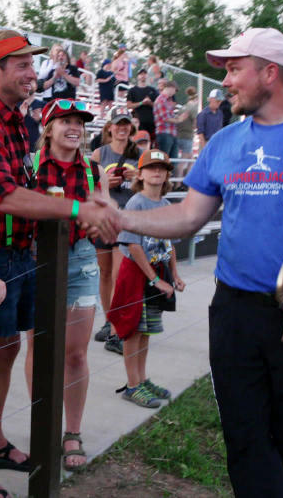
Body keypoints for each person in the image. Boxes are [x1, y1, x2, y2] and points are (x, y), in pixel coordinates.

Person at [110, 27, 283, 497]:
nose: (226, 81)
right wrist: (119, 217)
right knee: (245, 435)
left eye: (235, 69)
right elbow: (187, 215)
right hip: (235, 311)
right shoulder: (223, 143)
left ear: (271, 72)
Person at [0, 29, 117, 497]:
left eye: (31, 63)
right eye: (21, 64)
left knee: (5, 354)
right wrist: (81, 210)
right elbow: (3, 196)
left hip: (16, 257)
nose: (32, 72)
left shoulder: (15, 121)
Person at [22, 99, 108, 470]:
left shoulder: (93, 169)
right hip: (37, 262)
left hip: (81, 261)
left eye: (79, 122)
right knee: (39, 349)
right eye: (65, 121)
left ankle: (71, 431)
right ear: (48, 128)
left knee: (74, 353)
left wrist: (99, 221)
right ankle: (44, 425)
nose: (74, 127)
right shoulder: (28, 166)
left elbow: (105, 216)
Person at [108, 149, 183, 409]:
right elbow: (134, 246)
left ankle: (142, 379)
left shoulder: (164, 204)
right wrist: (154, 280)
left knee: (146, 330)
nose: (157, 172)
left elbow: (169, 243)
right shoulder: (136, 203)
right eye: (151, 168)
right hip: (138, 276)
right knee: (132, 331)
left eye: (162, 168)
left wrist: (174, 273)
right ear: (139, 174)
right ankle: (132, 385)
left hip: (157, 274)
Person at [90, 108, 141, 353]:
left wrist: (135, 178)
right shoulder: (100, 153)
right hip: (105, 219)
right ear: (109, 127)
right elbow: (87, 184)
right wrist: (104, 183)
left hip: (126, 220)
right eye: (117, 124)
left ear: (130, 127)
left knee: (121, 276)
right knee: (105, 273)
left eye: (126, 124)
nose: (122, 128)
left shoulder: (138, 154)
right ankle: (110, 320)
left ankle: (116, 330)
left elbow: (150, 186)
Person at [126, 69, 158, 139]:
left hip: (151, 122)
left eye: (145, 74)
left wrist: (149, 103)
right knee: (138, 141)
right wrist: (141, 103)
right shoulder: (132, 90)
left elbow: (158, 106)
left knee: (150, 143)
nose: (143, 76)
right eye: (141, 74)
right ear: (138, 76)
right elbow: (128, 106)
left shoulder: (153, 90)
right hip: (138, 122)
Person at [153, 80, 180, 161]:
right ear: (171, 88)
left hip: (169, 133)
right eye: (175, 90)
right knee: (164, 160)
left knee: (171, 161)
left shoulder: (166, 101)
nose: (174, 93)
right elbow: (166, 118)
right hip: (165, 133)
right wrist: (179, 119)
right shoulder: (161, 100)